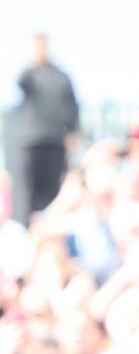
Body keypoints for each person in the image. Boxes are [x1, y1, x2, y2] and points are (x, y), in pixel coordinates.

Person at [13, 33, 79, 225]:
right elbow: (20, 84)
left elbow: (71, 105)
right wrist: (34, 62)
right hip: (33, 140)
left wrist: (72, 132)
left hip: (55, 140)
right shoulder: (30, 73)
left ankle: (49, 227)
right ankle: (29, 228)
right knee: (30, 190)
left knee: (52, 189)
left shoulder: (60, 76)